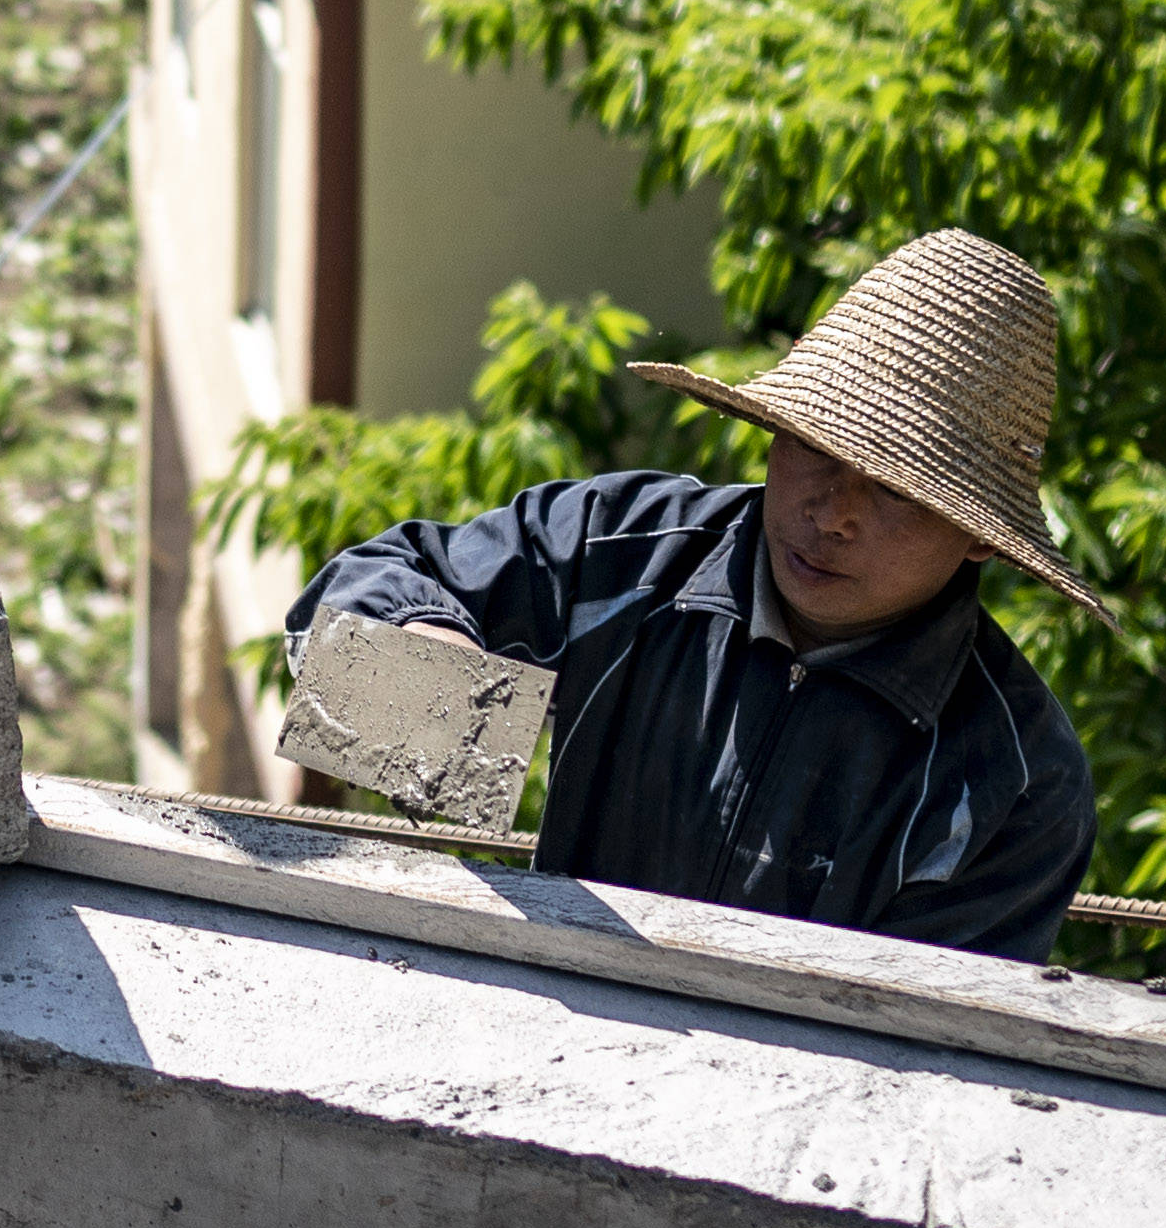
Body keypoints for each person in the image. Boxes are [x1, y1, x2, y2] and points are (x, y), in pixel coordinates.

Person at [286, 228, 1106, 957]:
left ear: (976, 540)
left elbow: (916, 1065)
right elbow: (340, 628)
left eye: (895, 489)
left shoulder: (1019, 782)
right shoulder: (622, 550)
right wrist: (435, 694)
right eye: (816, 445)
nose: (833, 511)